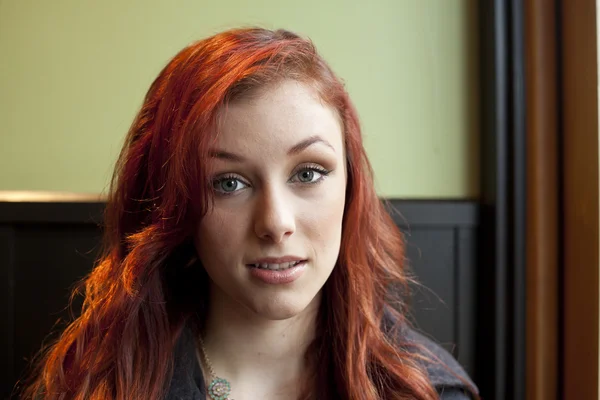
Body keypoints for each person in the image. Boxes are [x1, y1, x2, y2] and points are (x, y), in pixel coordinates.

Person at [21, 28, 478, 399]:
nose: (275, 223)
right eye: (229, 183)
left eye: (308, 173)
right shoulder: (94, 387)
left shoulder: (428, 391)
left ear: (351, 186)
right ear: (173, 205)